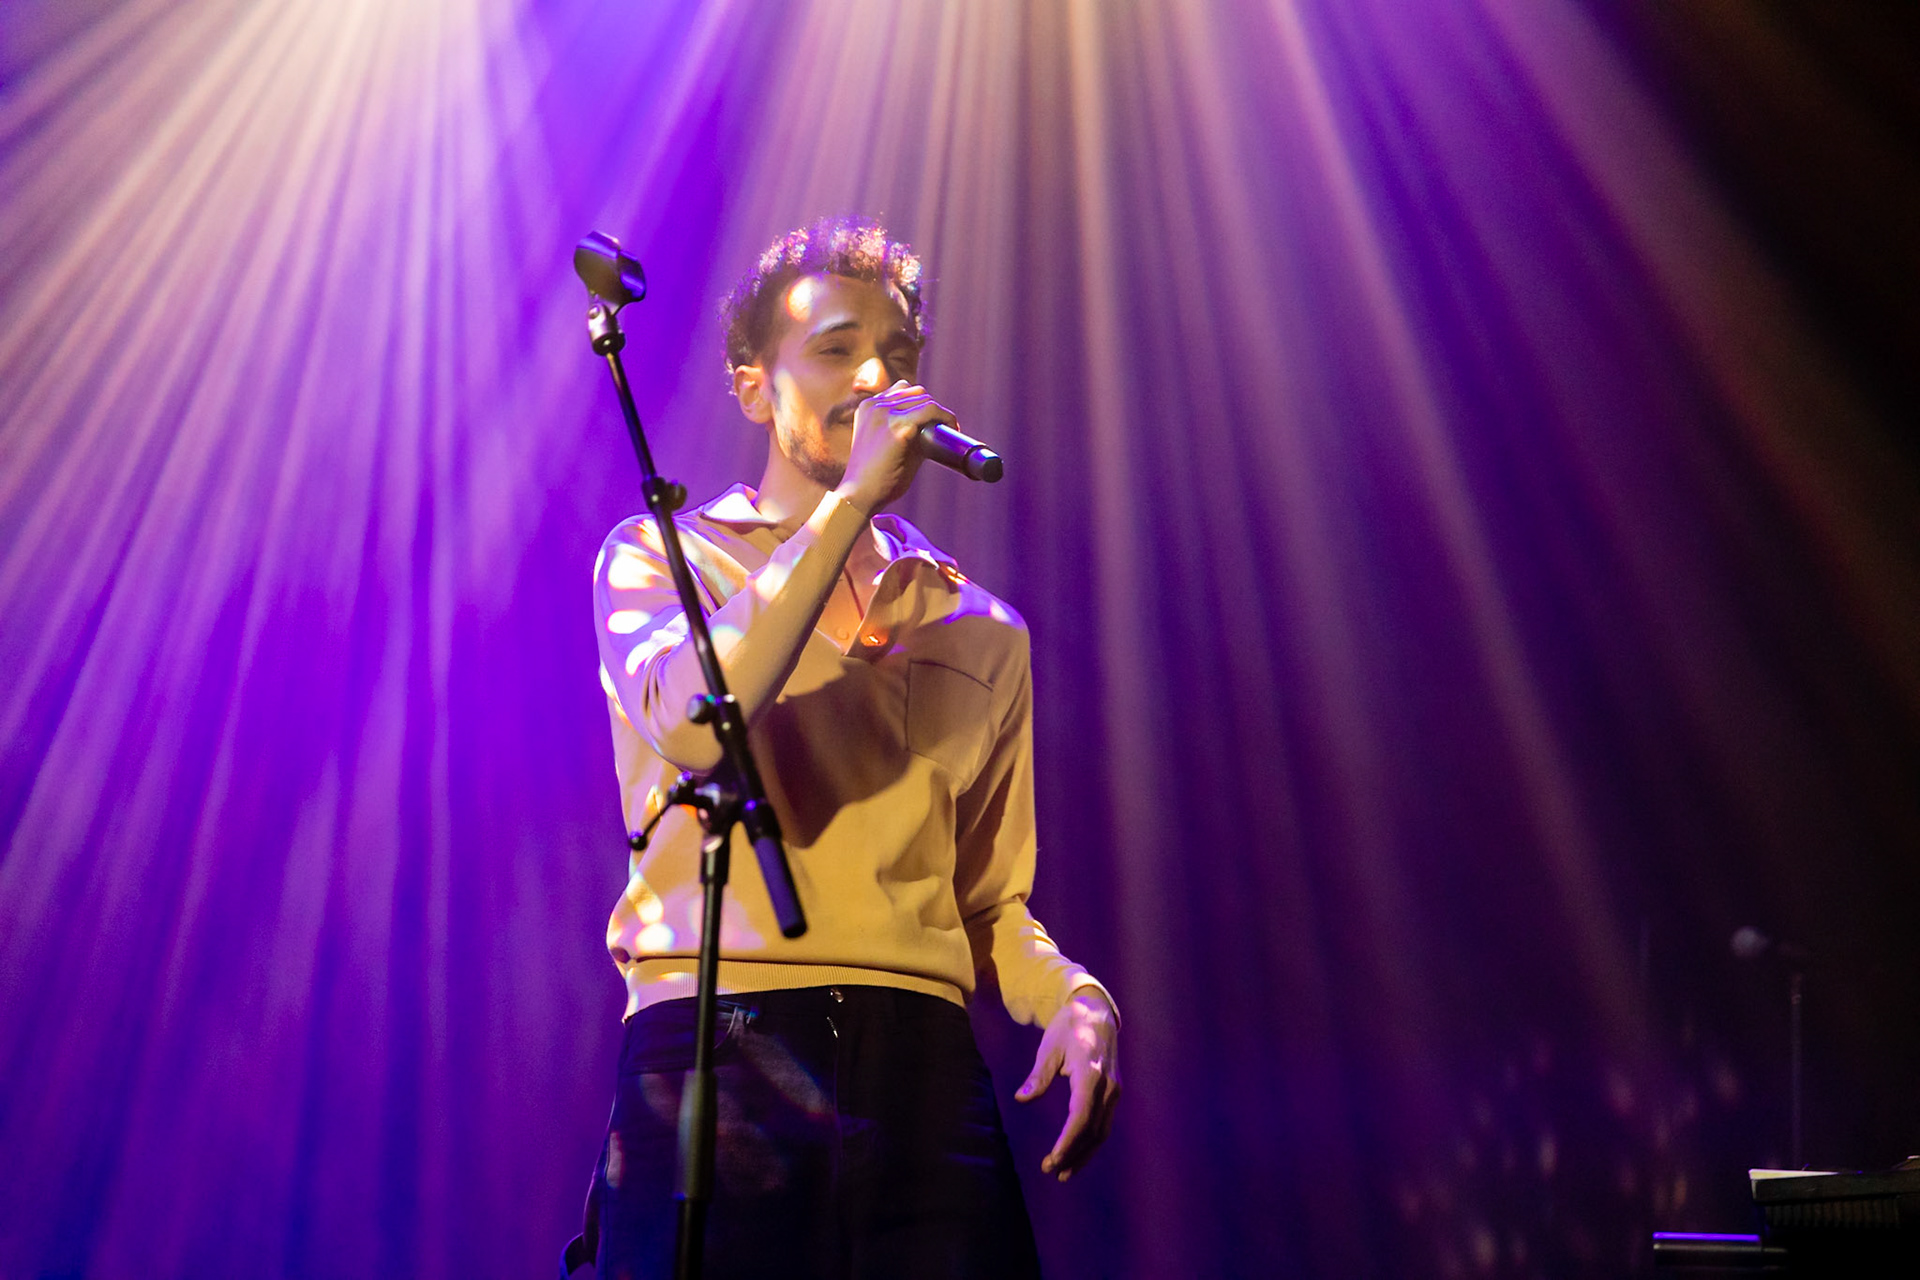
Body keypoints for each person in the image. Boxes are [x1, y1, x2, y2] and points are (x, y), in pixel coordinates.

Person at [581, 216, 1119, 1279]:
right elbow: (695, 718)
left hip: (921, 1063)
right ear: (753, 388)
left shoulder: (983, 627)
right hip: (715, 1045)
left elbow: (987, 906)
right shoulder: (663, 557)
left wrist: (1070, 993)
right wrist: (846, 511)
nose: (876, 373)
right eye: (835, 347)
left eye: (900, 354)